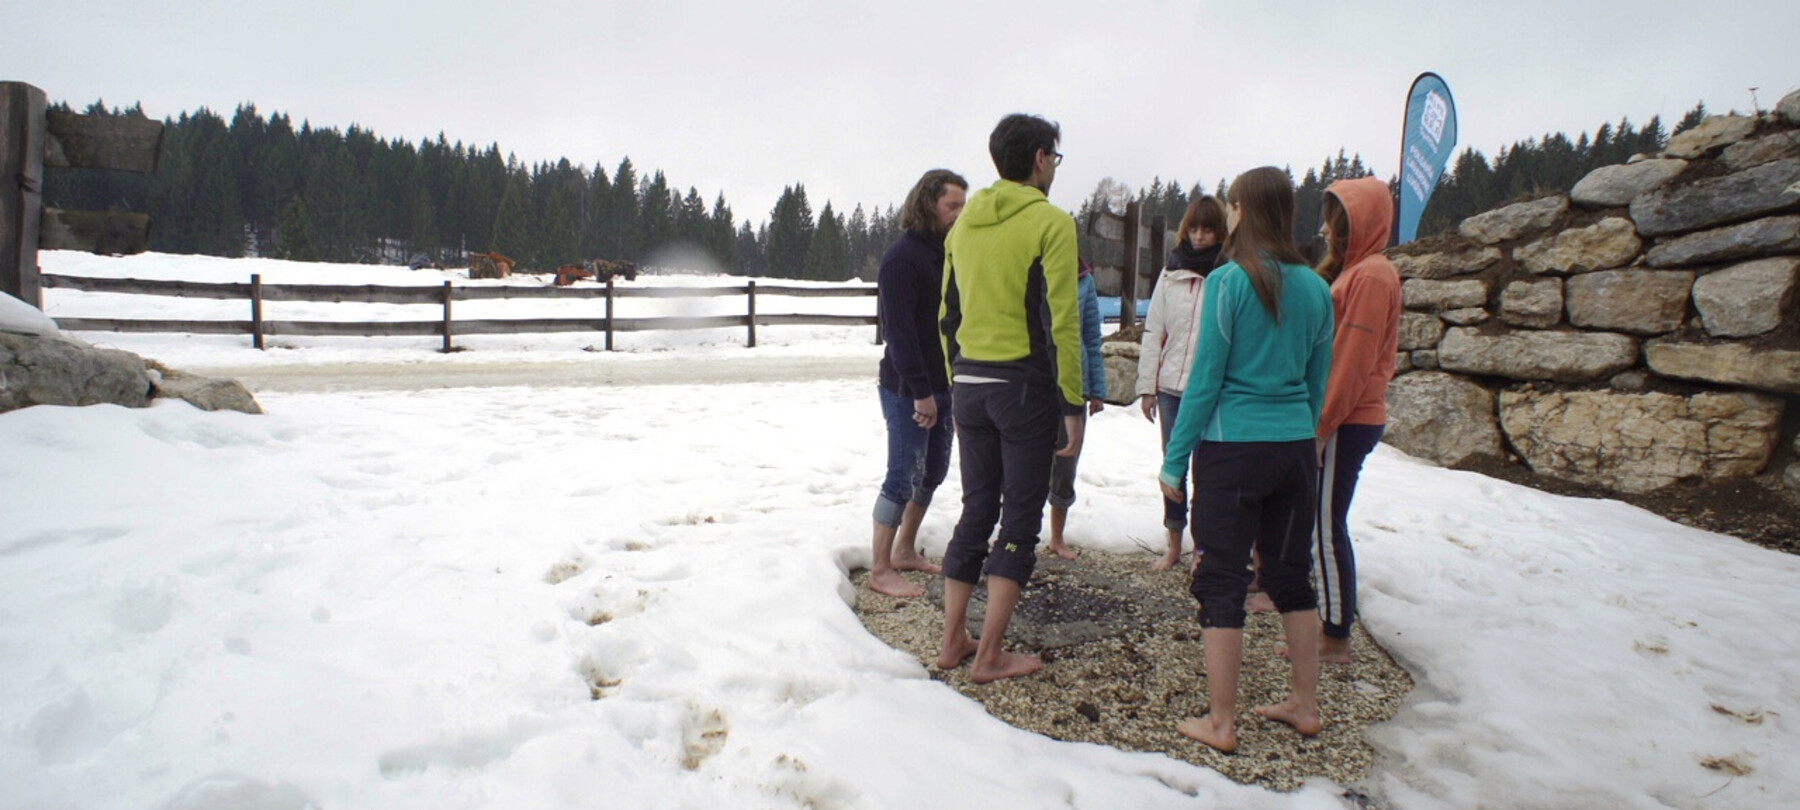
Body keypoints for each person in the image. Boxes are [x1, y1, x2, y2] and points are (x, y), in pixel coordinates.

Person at [1159, 166, 1334, 752]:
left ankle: (1222, 721)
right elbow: (1317, 382)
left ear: (1245, 211)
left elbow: (1204, 381)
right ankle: (1305, 706)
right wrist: (1299, 439)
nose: (1228, 215)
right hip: (1292, 451)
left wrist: (1173, 460)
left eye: (1232, 206)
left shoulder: (1230, 283)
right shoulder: (1315, 286)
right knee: (1289, 575)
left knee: (1222, 579)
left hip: (1232, 452)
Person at [935, 113, 1084, 684]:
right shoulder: (1051, 223)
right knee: (1020, 517)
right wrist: (1072, 401)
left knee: (977, 508)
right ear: (1041, 159)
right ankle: (990, 655)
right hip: (1023, 387)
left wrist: (957, 380)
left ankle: (953, 641)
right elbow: (1062, 322)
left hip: (969, 385)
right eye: (1054, 158)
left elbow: (945, 314)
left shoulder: (964, 224)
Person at [1298, 176, 1402, 663]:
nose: (1322, 228)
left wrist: (1322, 428)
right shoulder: (1359, 271)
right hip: (1340, 415)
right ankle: (1327, 623)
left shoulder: (1372, 277)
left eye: (1332, 219)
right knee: (1321, 520)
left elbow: (1352, 360)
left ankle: (1335, 637)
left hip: (1345, 418)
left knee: (1324, 523)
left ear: (1353, 225)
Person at [867, 169, 969, 597]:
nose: (959, 214)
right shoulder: (902, 258)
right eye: (952, 206)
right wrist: (922, 392)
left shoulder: (947, 254)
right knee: (902, 474)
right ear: (928, 204)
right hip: (908, 388)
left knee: (934, 472)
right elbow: (901, 334)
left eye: (964, 205)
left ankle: (906, 549)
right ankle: (879, 568)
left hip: (945, 384)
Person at [1136, 196, 1227, 570]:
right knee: (1173, 468)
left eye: (1208, 229)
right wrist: (1147, 386)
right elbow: (1155, 329)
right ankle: (1174, 543)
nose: (1200, 236)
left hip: (1212, 392)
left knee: (1209, 474)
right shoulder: (1170, 274)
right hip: (1172, 388)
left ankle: (1203, 548)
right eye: (1194, 228)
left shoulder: (1228, 274)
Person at [1044, 258, 1107, 560]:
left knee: (1065, 463)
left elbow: (1091, 337)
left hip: (1072, 384)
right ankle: (1017, 535)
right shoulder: (1031, 269)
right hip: (1033, 381)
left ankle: (1057, 537)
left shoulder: (1084, 281)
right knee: (1023, 465)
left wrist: (1096, 389)